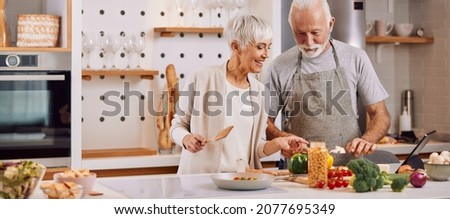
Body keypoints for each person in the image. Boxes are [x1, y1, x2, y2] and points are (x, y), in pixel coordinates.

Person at [170, 15, 309, 174]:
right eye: (260, 47)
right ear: (236, 47)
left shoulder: (259, 91)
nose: (266, 54)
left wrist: (279, 143)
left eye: (268, 47)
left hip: (242, 182)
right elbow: (177, 126)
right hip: (202, 182)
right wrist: (187, 139)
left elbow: (257, 148)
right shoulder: (202, 78)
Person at [264, 0, 392, 165]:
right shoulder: (279, 66)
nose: (309, 42)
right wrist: (283, 138)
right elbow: (264, 122)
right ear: (292, 28)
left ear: (330, 24)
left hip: (349, 172)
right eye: (300, 33)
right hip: (301, 173)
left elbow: (380, 115)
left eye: (315, 32)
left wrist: (367, 139)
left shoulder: (356, 58)